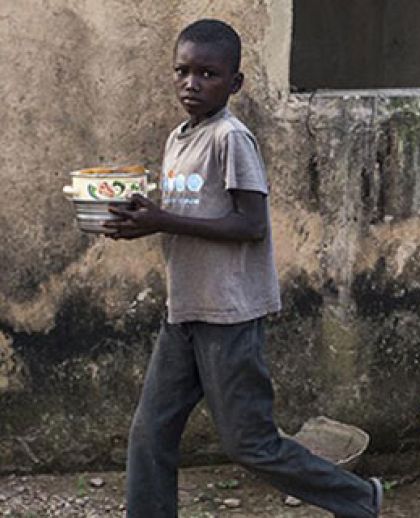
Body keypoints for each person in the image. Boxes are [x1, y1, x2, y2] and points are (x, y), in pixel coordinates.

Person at [105, 18, 382, 518]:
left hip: (228, 314)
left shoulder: (232, 139)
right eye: (183, 71)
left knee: (249, 442)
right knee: (150, 433)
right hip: (184, 308)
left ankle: (359, 499)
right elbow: (189, 212)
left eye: (208, 74)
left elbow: (250, 224)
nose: (192, 84)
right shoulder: (179, 138)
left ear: (234, 83)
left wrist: (161, 218)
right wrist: (141, 216)